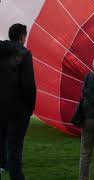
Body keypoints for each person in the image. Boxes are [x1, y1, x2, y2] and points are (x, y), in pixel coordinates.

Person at [0, 24, 36, 180]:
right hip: (18, 110)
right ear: (22, 36)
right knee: (14, 149)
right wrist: (30, 108)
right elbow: (28, 84)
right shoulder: (24, 53)